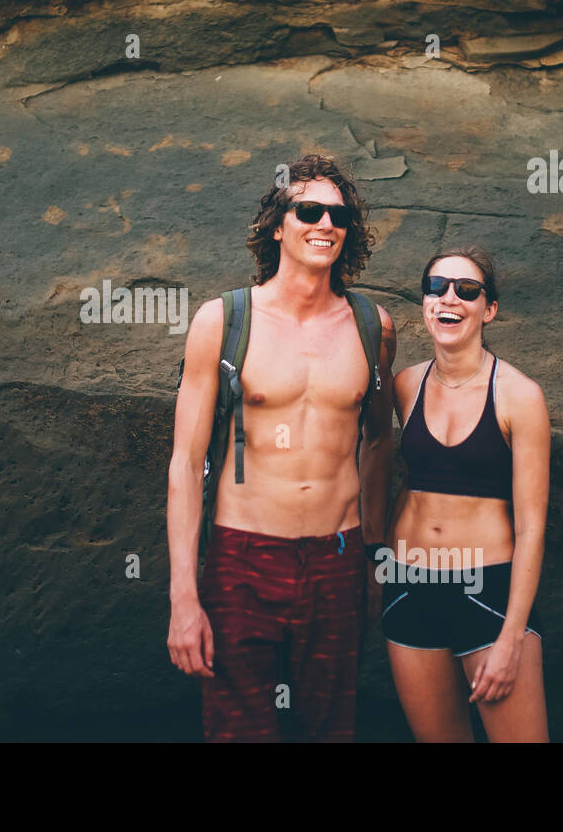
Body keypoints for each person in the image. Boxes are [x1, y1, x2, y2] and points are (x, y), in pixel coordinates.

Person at [166, 153, 396, 741]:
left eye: (339, 216)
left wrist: (375, 556)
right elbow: (187, 465)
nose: (325, 224)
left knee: (330, 728)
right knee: (240, 730)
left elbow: (376, 443)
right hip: (244, 557)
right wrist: (184, 598)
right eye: (309, 211)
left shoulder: (373, 326)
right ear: (278, 225)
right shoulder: (223, 320)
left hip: (337, 557)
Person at [377, 245, 549, 741]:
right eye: (437, 287)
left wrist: (512, 636)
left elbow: (533, 525)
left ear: (488, 309)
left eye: (467, 290)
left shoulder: (520, 395)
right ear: (425, 301)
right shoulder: (405, 385)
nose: (449, 298)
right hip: (408, 587)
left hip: (487, 595)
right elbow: (377, 464)